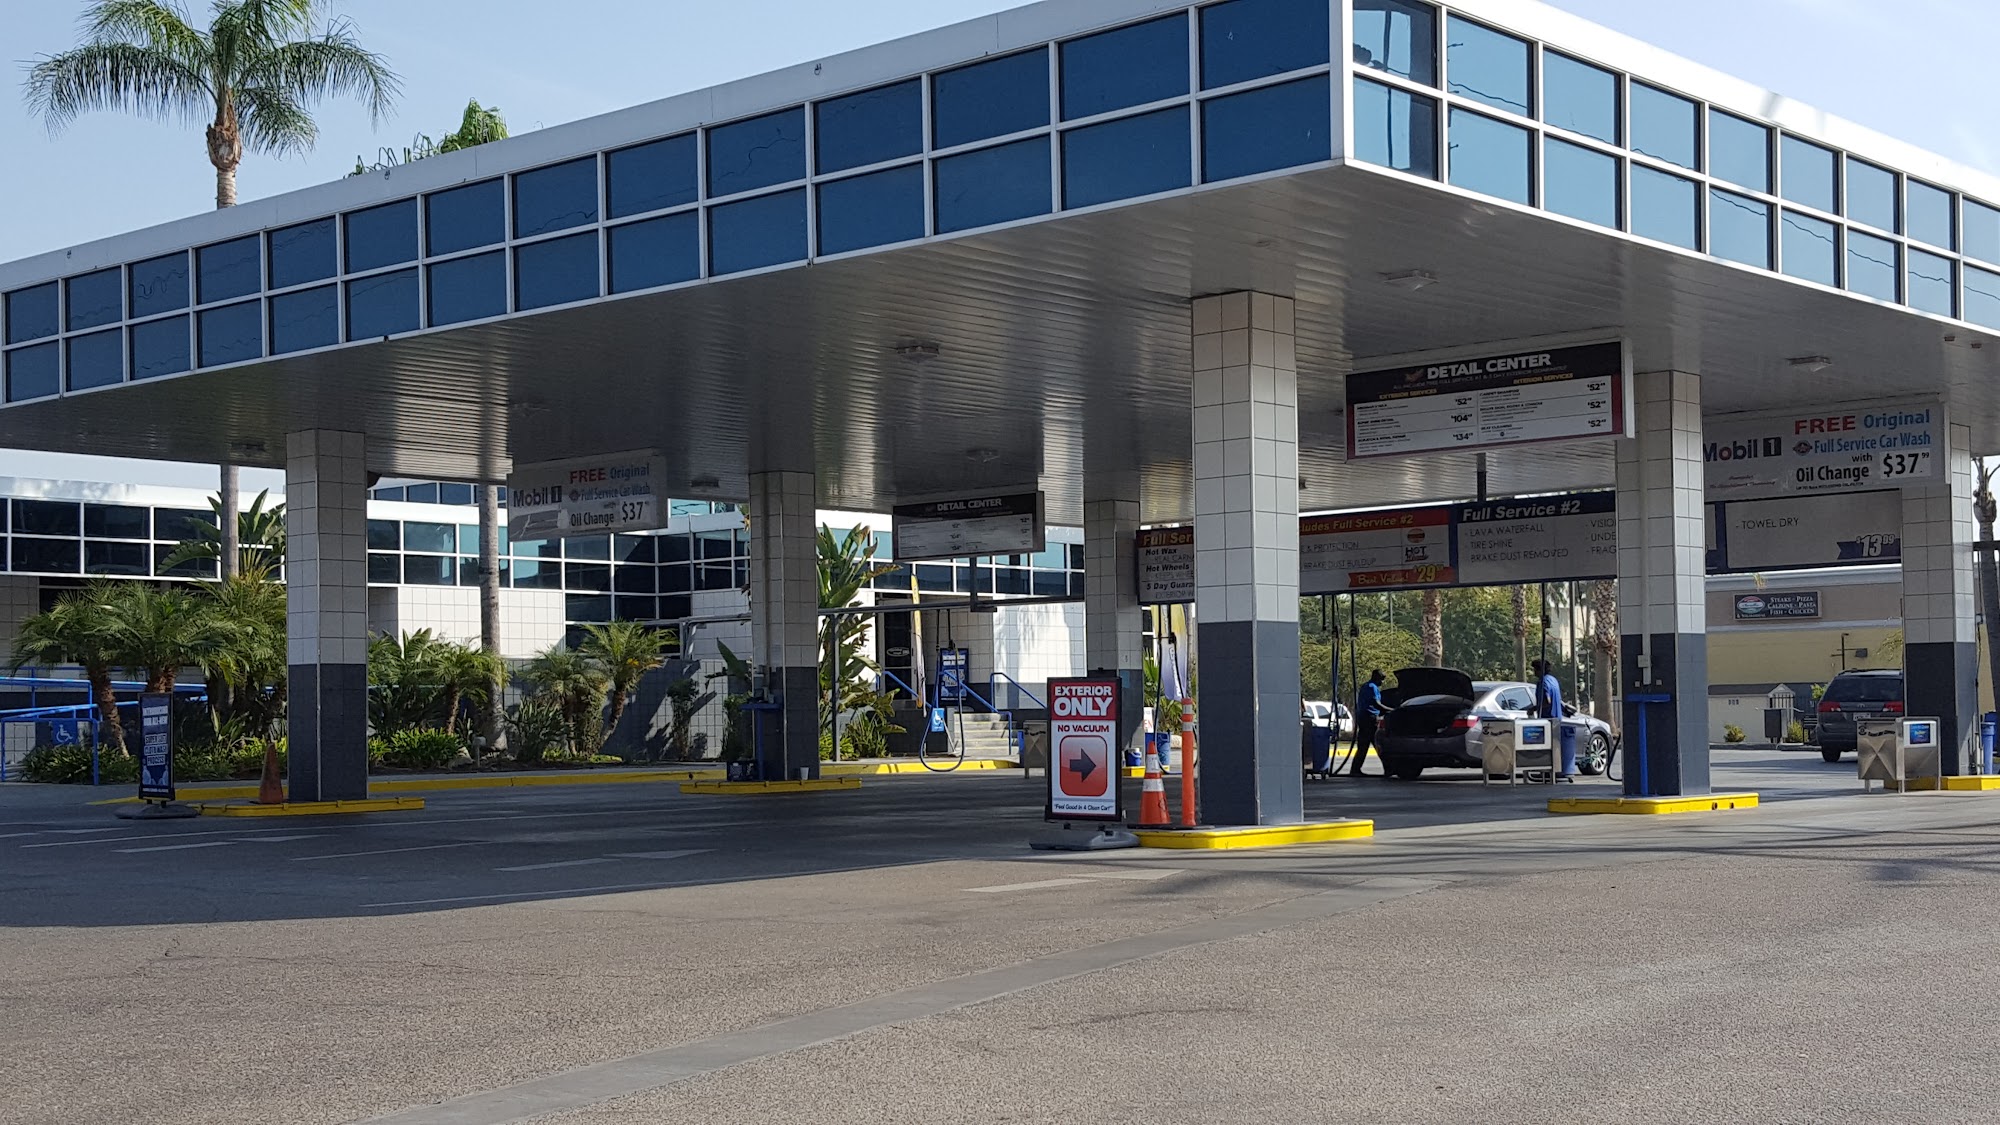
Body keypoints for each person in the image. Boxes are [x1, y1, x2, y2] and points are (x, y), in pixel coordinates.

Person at [1534, 659, 1577, 779]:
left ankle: (1547, 771)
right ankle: (1555, 769)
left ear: (1540, 670)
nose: (1534, 672)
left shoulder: (1543, 682)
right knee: (1555, 746)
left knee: (1546, 746)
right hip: (1557, 718)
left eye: (1535, 669)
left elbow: (1547, 701)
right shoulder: (1553, 680)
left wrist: (1534, 708)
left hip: (1547, 719)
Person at [1350, 669, 1388, 777]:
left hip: (1365, 719)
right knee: (1378, 745)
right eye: (1381, 679)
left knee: (1365, 745)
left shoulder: (1367, 686)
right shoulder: (1372, 687)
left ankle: (1355, 769)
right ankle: (1389, 769)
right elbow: (1376, 704)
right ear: (1376, 677)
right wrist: (1390, 710)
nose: (1382, 682)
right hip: (1369, 720)